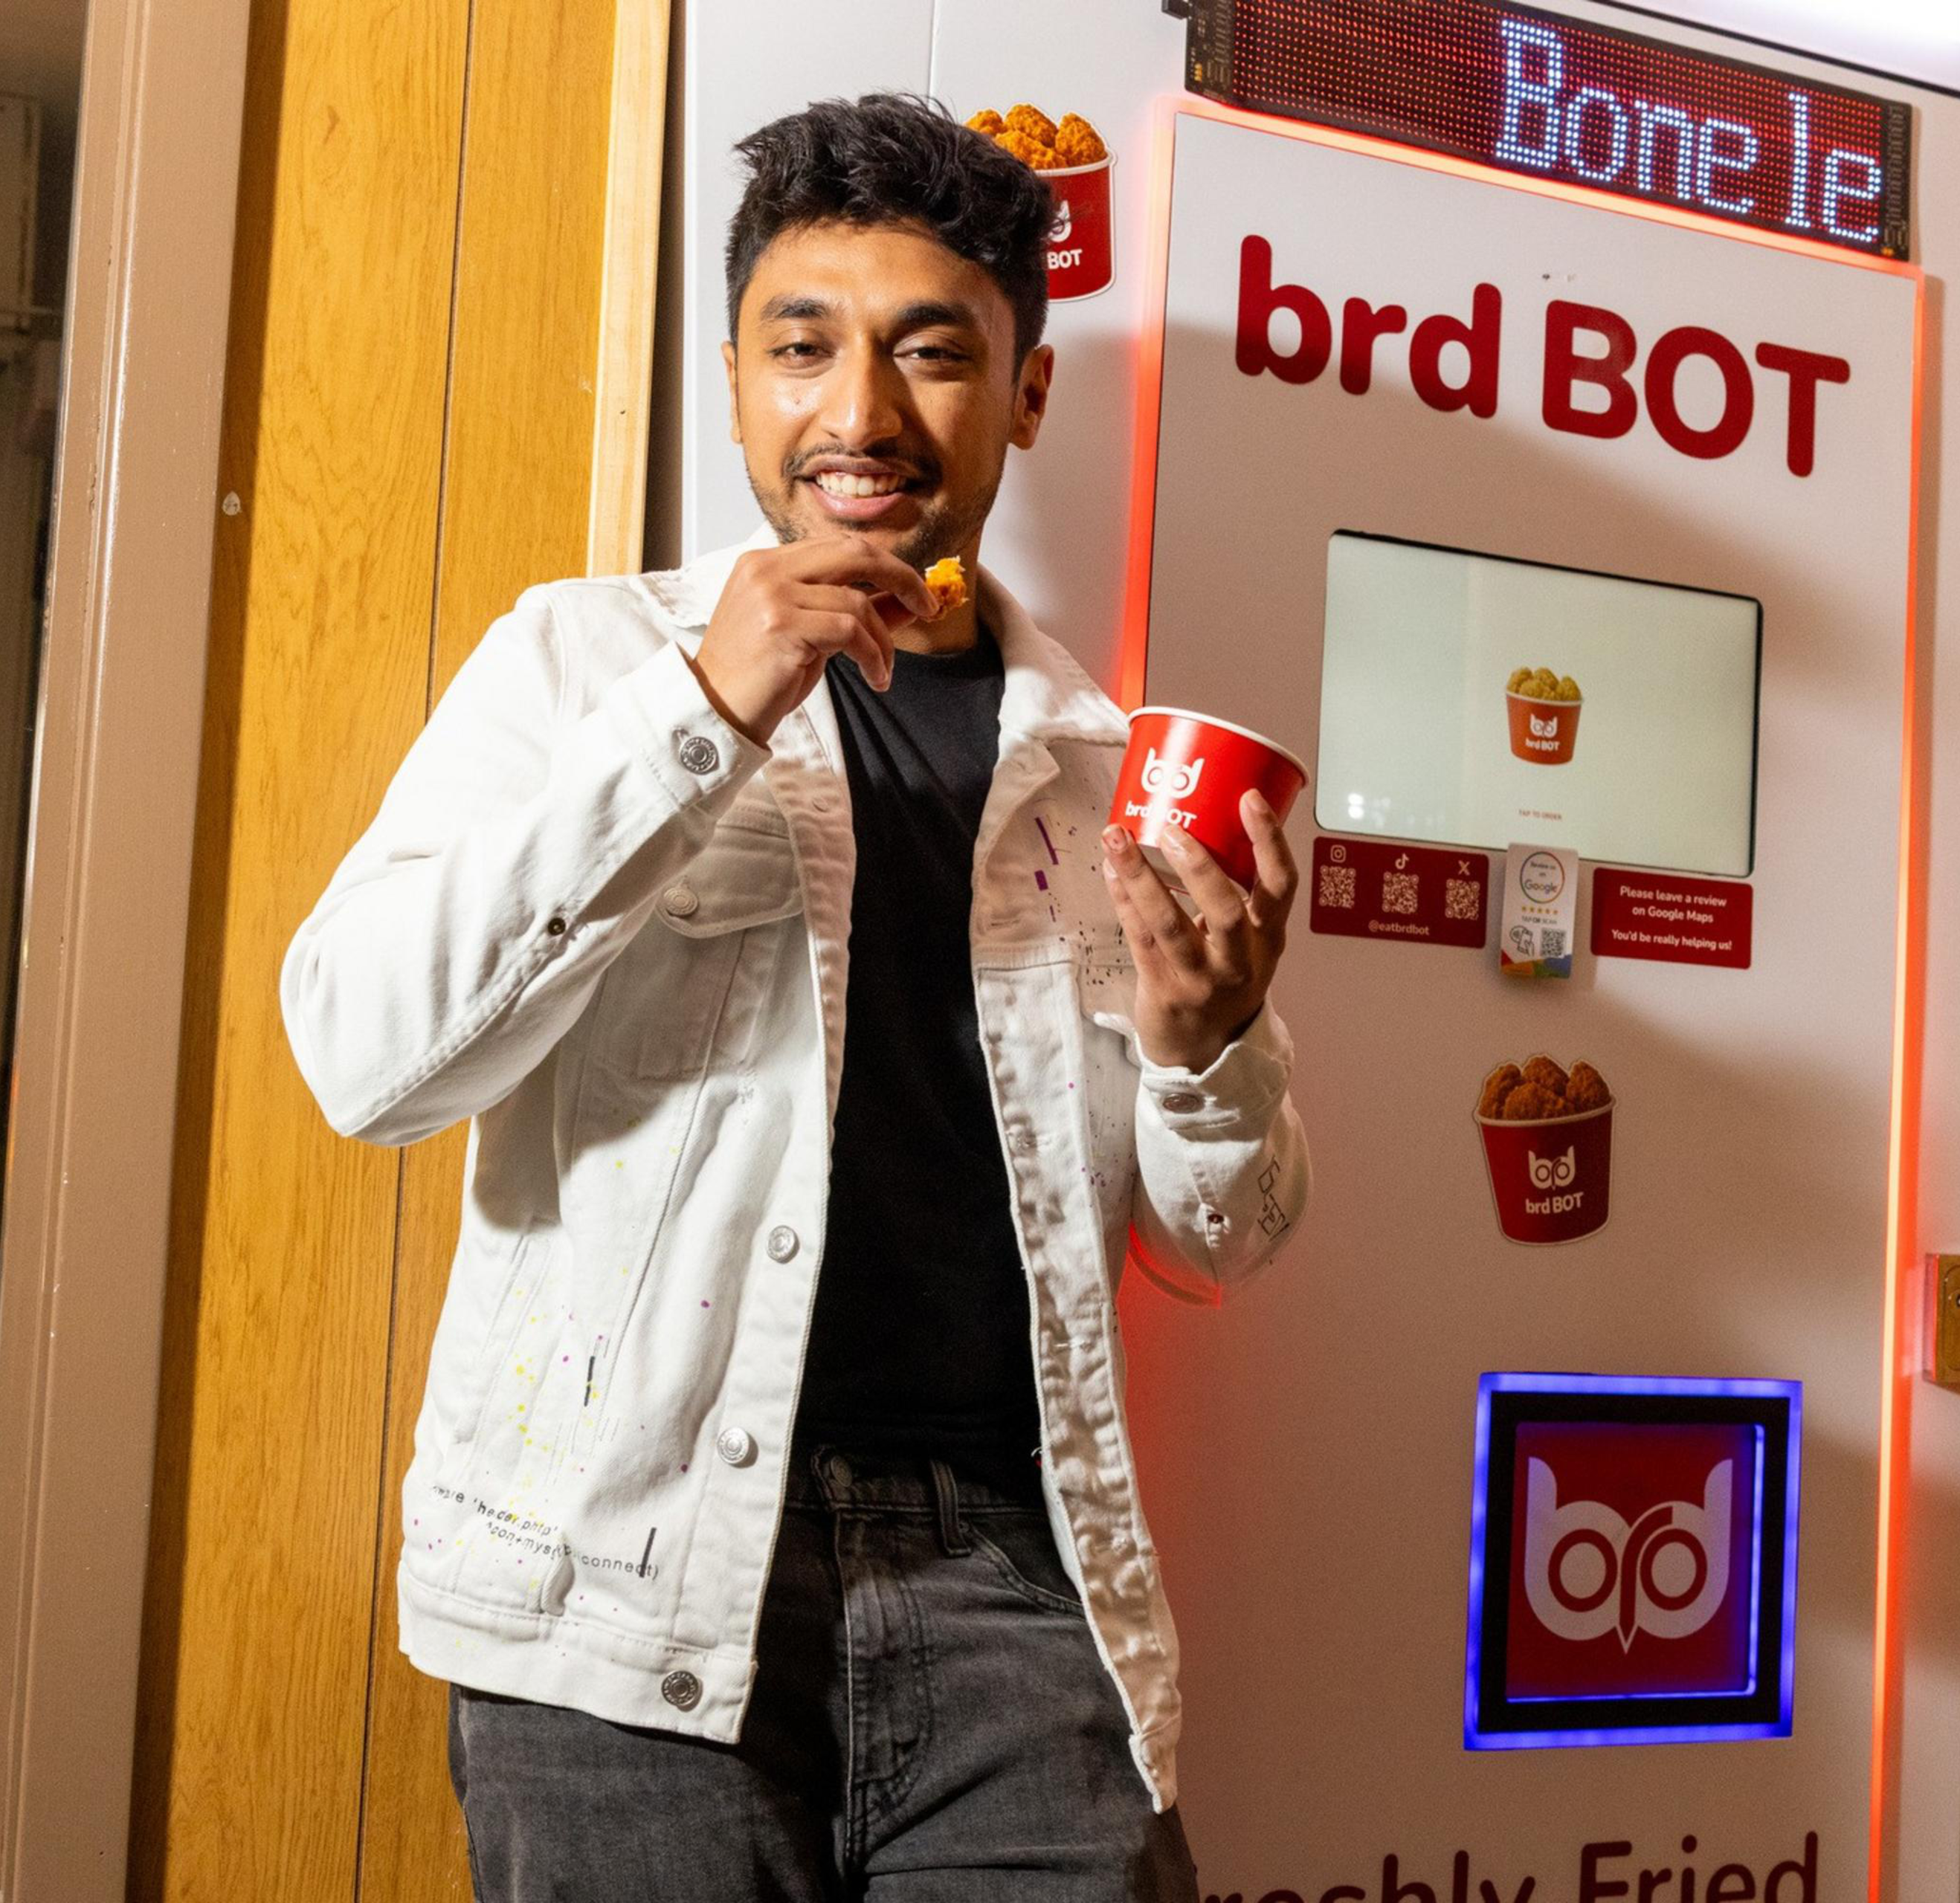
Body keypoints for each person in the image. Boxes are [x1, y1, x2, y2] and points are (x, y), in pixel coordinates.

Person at [280, 94, 1312, 1901]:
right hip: (624, 1587)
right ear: (739, 382)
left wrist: (1211, 1050)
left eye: (934, 351)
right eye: (803, 346)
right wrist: (705, 705)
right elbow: (366, 1057)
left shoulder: (1103, 769)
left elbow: (1223, 1241)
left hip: (1013, 1580)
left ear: (1027, 394)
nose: (863, 413)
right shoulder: (576, 659)